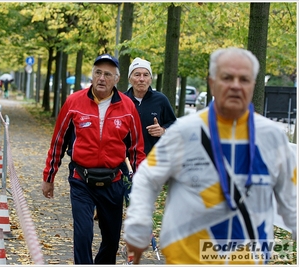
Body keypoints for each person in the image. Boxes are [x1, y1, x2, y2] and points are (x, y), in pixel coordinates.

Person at [123, 47, 297, 264]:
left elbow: (292, 200)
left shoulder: (273, 137)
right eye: (227, 77)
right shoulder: (185, 132)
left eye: (244, 79)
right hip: (190, 256)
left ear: (254, 84)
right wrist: (138, 231)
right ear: (212, 82)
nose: (235, 85)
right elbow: (146, 181)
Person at [42, 54, 146, 264]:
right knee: (83, 235)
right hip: (82, 180)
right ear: (92, 75)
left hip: (113, 181)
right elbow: (58, 142)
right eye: (97, 72)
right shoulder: (74, 102)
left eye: (107, 74)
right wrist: (49, 176)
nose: (101, 78)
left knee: (111, 240)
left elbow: (136, 150)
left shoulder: (128, 107)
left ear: (117, 79)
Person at [121, 58, 177, 263]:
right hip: (124, 163)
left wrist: (163, 130)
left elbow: (175, 127)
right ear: (130, 78)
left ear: (151, 78)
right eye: (137, 74)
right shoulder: (120, 100)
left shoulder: (160, 100)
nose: (141, 79)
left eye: (145, 75)